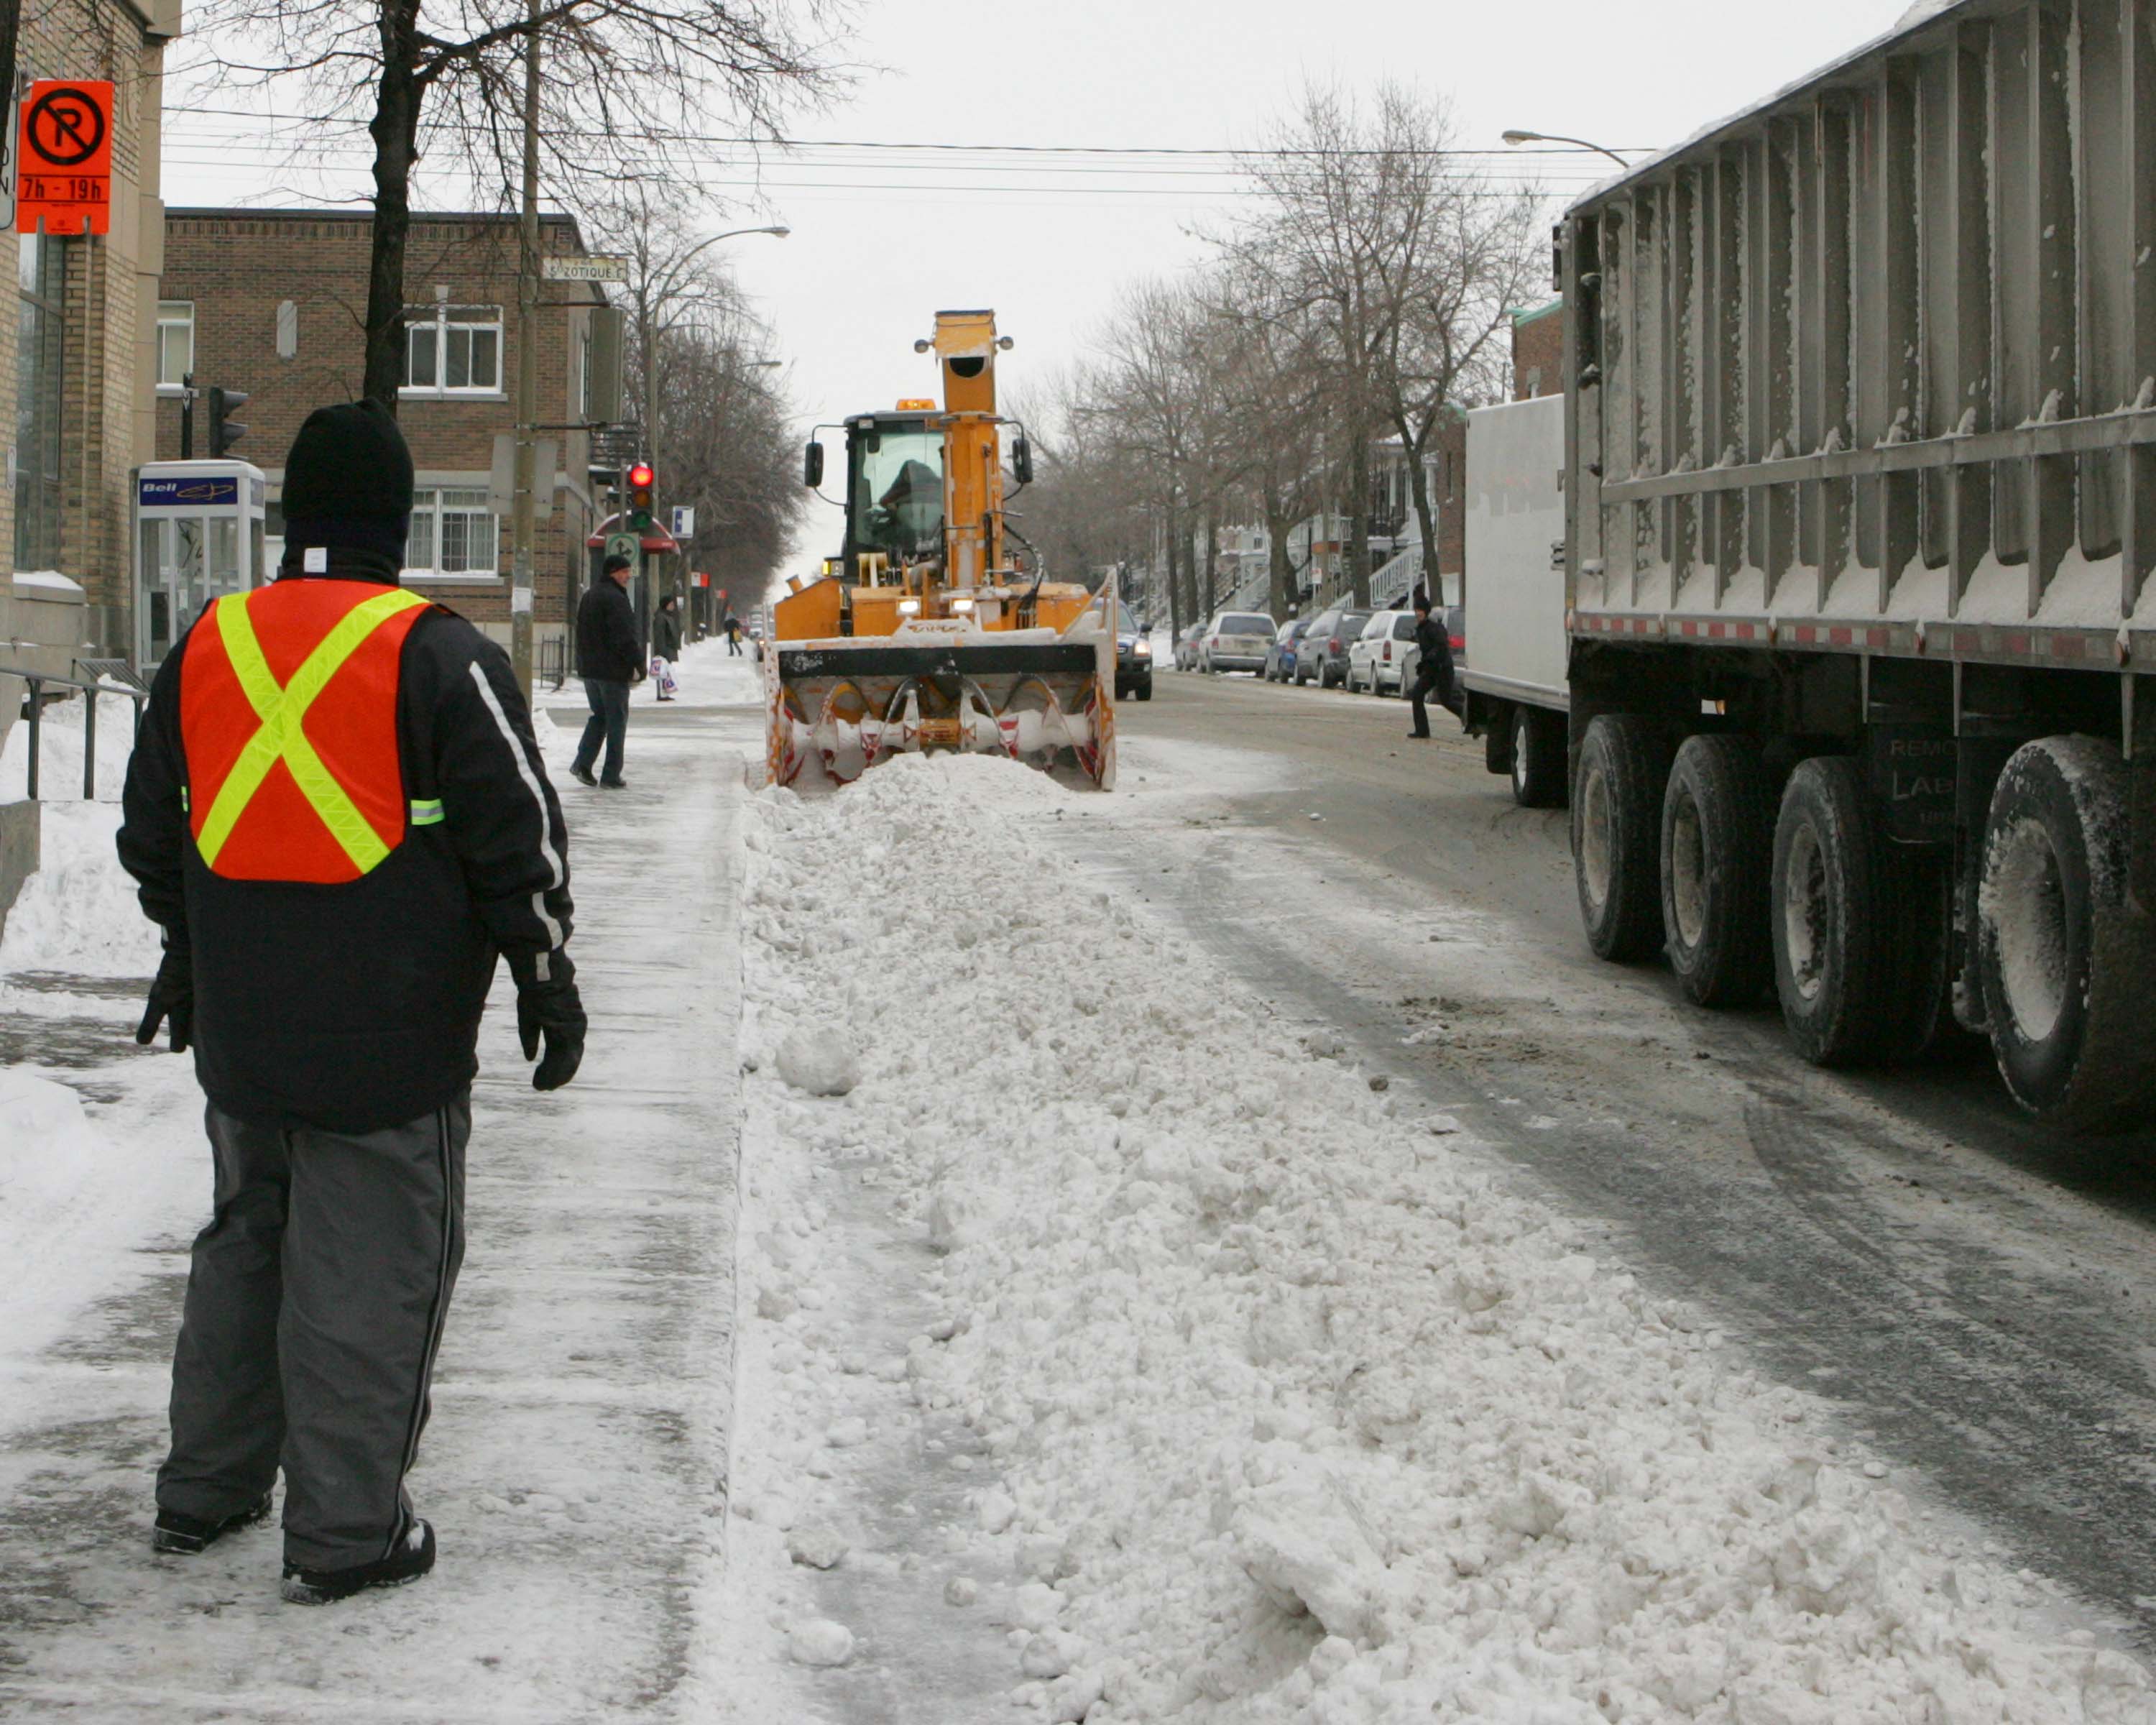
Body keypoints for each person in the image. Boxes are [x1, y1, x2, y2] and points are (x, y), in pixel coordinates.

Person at [116, 398, 586, 1606]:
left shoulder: (208, 648)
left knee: (247, 1246)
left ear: (288, 519)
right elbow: (515, 834)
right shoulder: (437, 656)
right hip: (390, 1037)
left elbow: (152, 833)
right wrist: (543, 971)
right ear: (396, 519)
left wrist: (186, 952)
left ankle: (206, 1491)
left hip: (247, 1038)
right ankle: (347, 1530)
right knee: (369, 1270)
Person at [572, 554, 642, 786]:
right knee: (616, 722)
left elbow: (580, 632)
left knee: (599, 717)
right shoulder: (616, 599)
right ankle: (611, 775)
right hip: (612, 672)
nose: (628, 576)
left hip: (590, 671)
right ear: (613, 572)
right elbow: (624, 637)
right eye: (624, 572)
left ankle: (582, 764)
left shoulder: (589, 596)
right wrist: (638, 664)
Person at [1406, 591, 1457, 741]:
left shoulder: (1435, 628)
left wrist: (1428, 659)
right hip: (1432, 669)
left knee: (1447, 701)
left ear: (1426, 612)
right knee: (1417, 694)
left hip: (1443, 669)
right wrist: (1423, 664)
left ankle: (1469, 718)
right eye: (1416, 610)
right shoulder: (1421, 629)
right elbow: (1427, 651)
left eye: (1420, 610)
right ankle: (1422, 731)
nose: (1418, 613)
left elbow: (1441, 647)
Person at [650, 594, 683, 703]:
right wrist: (661, 651)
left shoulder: (668, 616)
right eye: (671, 604)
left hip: (669, 648)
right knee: (662, 672)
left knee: (666, 672)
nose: (673, 606)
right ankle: (661, 694)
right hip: (664, 649)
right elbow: (659, 635)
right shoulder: (661, 617)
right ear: (666, 605)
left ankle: (665, 692)